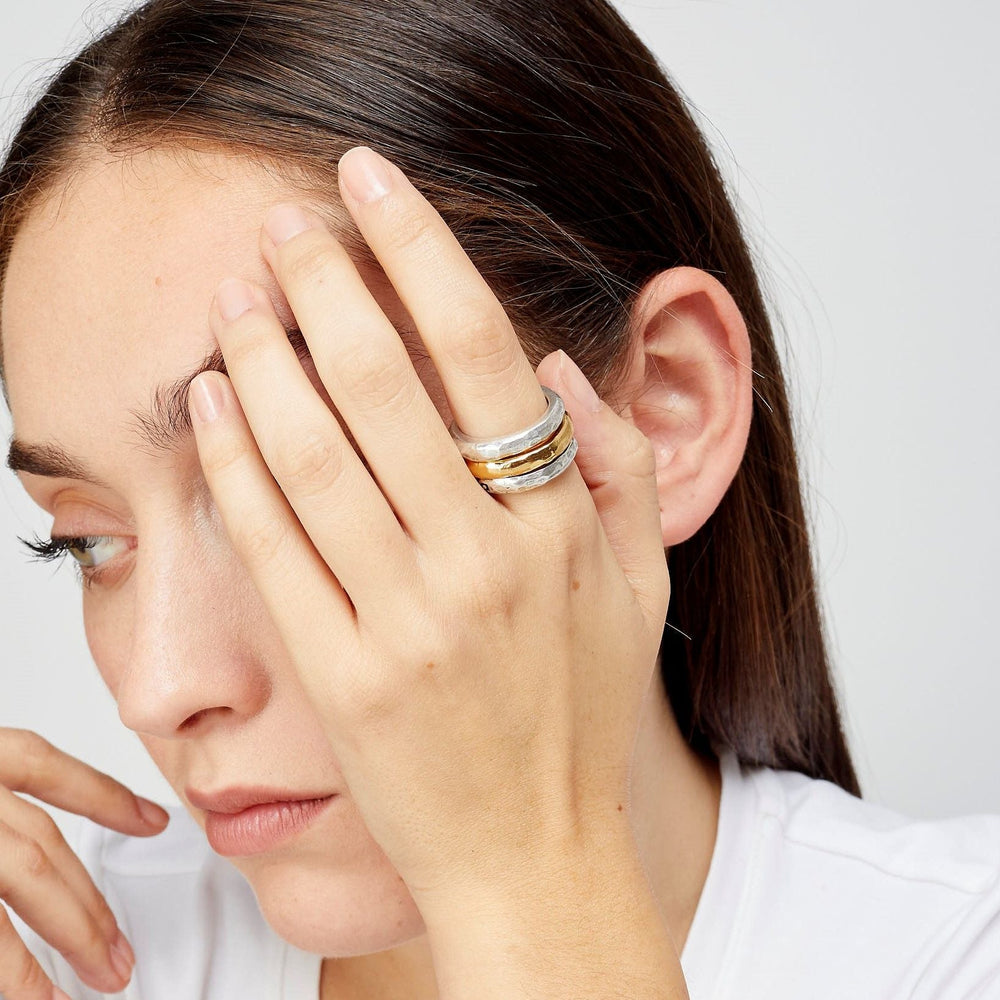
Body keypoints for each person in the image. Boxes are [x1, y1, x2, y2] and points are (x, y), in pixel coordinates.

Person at [0, 1, 997, 998]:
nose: (159, 687)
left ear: (666, 410)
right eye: (86, 542)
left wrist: (527, 873)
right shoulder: (59, 955)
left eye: (296, 471)